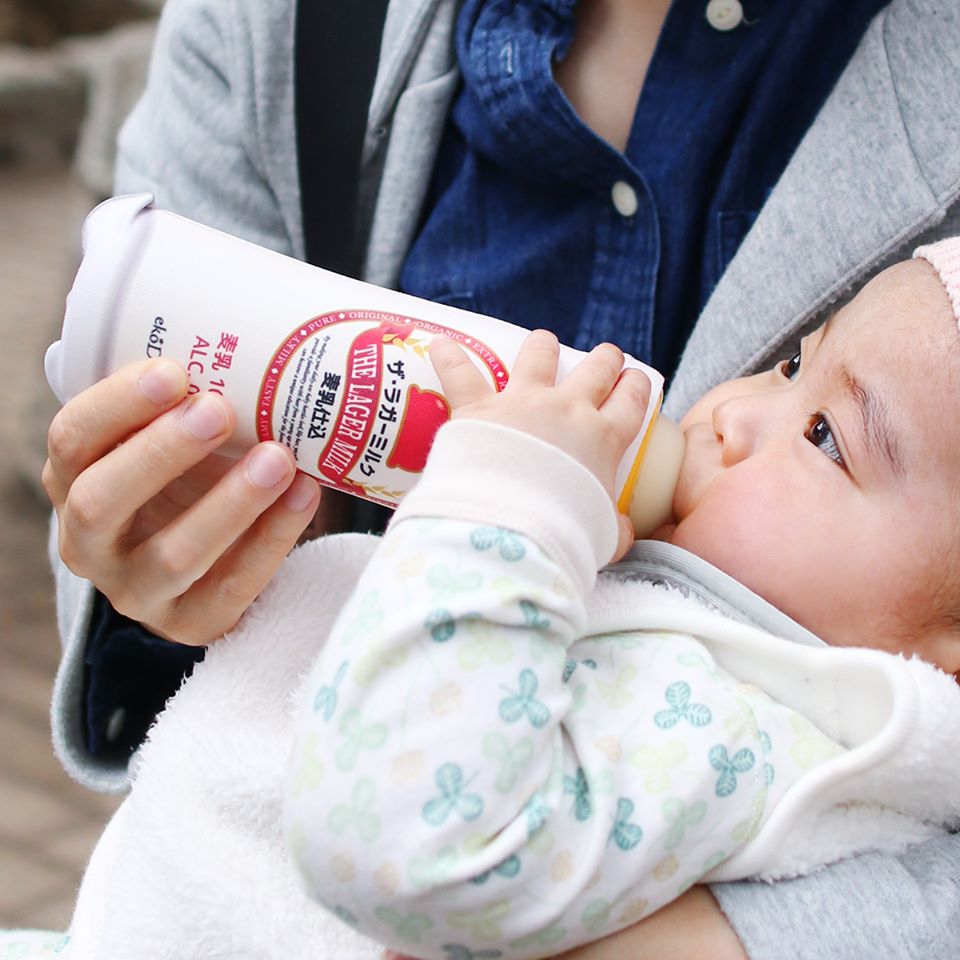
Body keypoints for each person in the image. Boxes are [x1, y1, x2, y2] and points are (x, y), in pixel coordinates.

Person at [39, 0, 960, 956]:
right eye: (784, 366)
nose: (726, 411)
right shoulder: (280, 28)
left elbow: (399, 840)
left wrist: (510, 502)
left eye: (822, 434)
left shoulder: (730, 731)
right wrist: (163, 575)